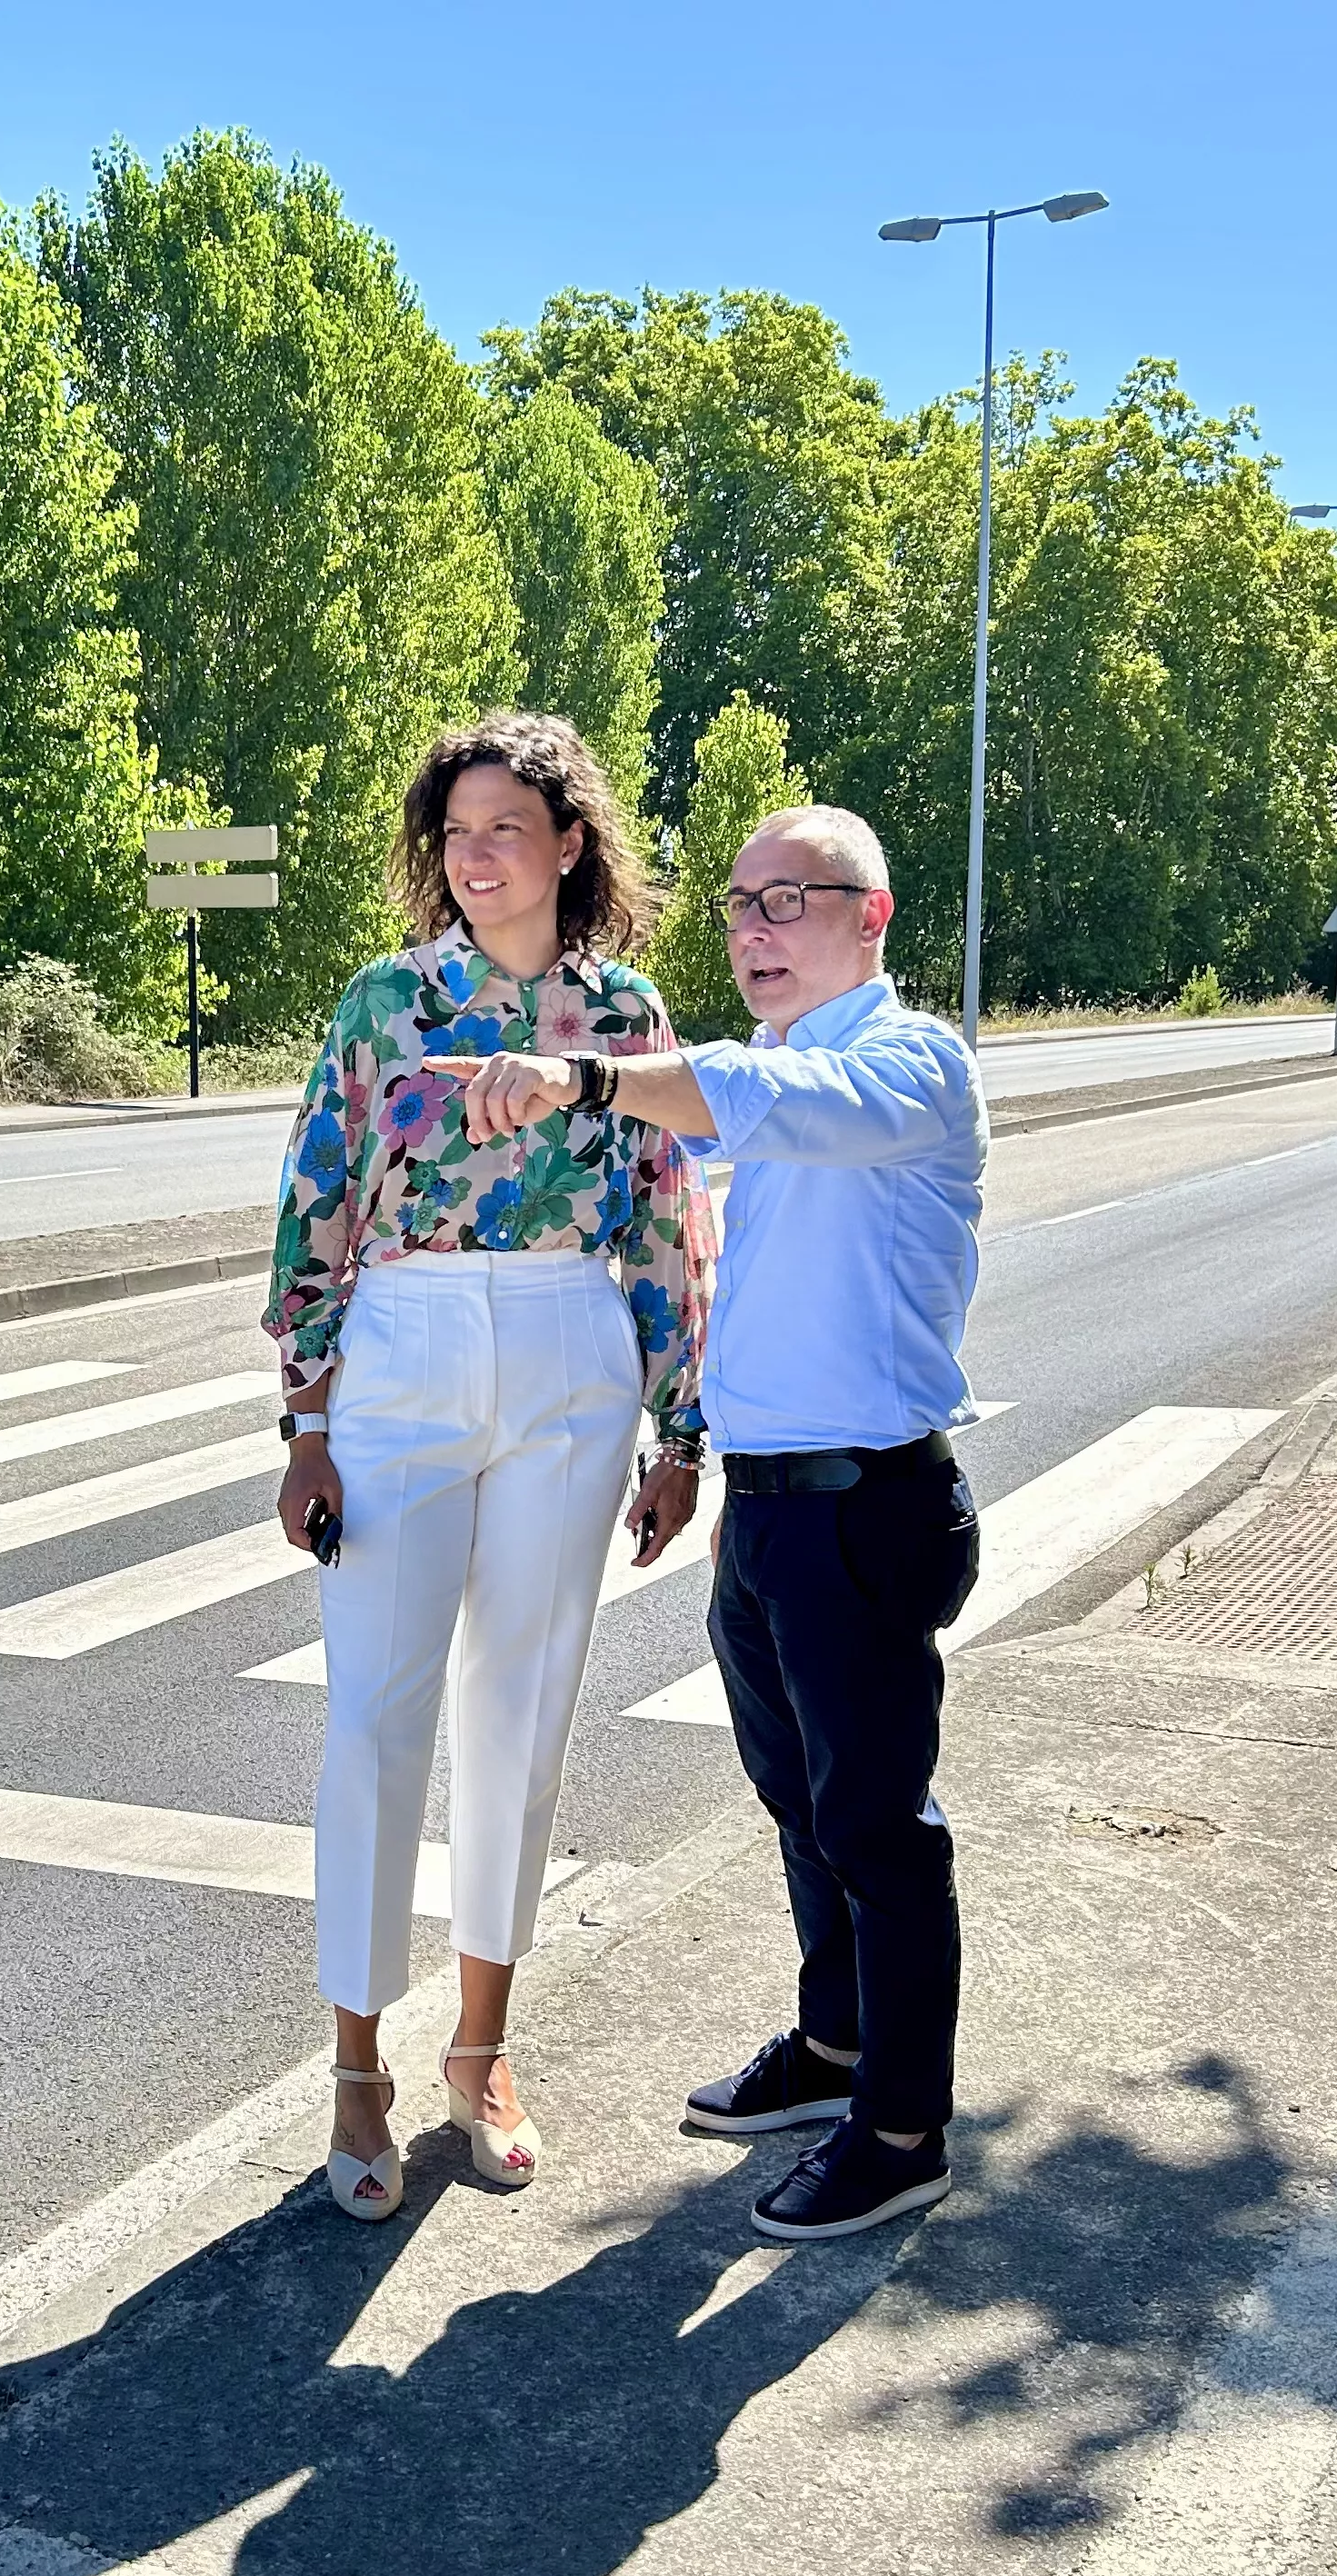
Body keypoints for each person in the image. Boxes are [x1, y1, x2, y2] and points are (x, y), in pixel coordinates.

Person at [432, 804, 986, 2243]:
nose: (753, 928)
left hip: (870, 1503)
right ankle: (839, 2046)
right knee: (803, 1805)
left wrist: (583, 1075)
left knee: (880, 1828)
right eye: (739, 904)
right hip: (776, 1507)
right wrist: (690, 1447)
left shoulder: (908, 1065)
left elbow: (762, 1097)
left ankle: (905, 2129)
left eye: (789, 899)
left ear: (872, 916)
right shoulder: (783, 1074)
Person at [267, 712, 713, 2222]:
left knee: (521, 1713)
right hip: (403, 1348)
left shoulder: (626, 1013)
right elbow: (316, 1202)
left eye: (505, 829)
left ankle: (481, 2050)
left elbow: (668, 1217)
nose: (475, 856)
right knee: (373, 1719)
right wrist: (306, 1422)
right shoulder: (387, 1000)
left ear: (569, 844)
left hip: (573, 1348)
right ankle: (355, 2066)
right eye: (455, 832)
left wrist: (681, 1427)